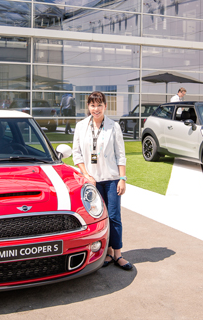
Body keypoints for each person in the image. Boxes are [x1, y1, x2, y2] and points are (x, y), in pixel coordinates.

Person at [72, 91, 132, 271]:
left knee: (114, 217)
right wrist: (86, 175)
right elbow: (76, 154)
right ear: (88, 107)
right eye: (92, 105)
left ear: (105, 106)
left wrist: (122, 178)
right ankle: (105, 253)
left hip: (112, 179)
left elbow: (121, 155)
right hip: (92, 182)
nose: (95, 109)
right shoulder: (81, 126)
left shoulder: (114, 127)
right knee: (98, 219)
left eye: (99, 105)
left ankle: (118, 254)